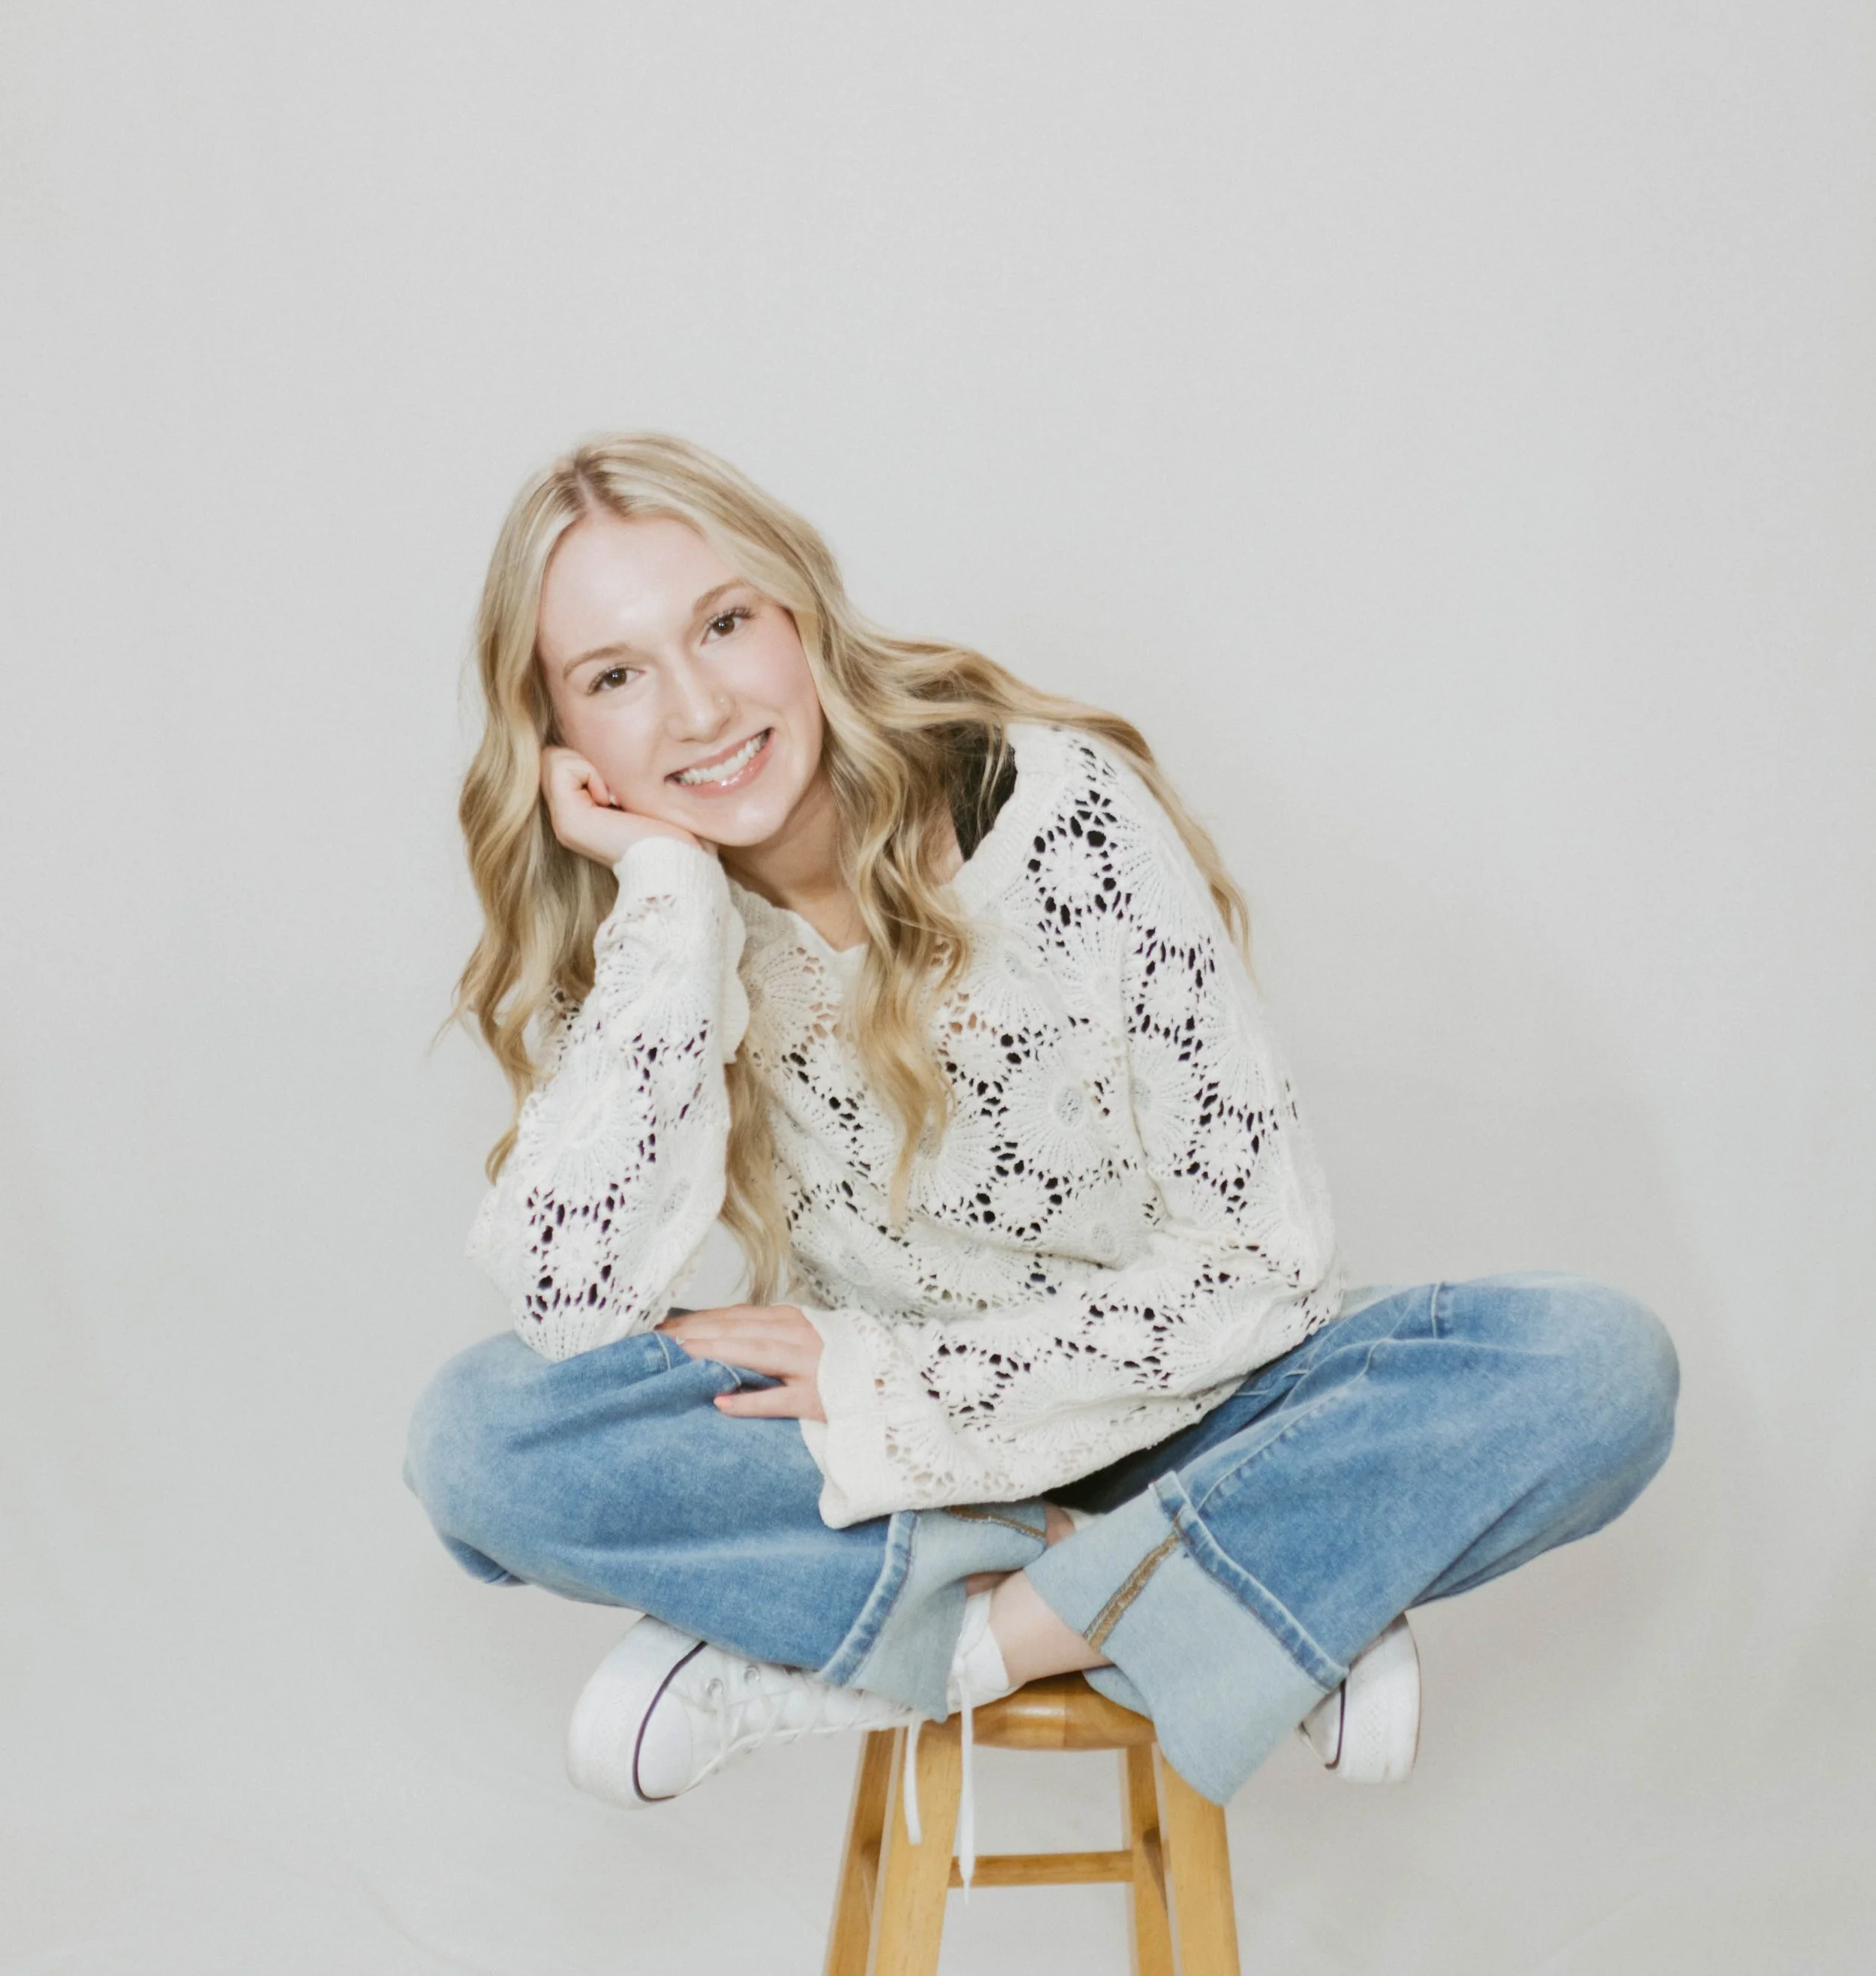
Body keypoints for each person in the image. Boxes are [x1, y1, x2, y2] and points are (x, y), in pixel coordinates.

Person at [406, 433, 1677, 1846]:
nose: (698, 707)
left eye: (723, 623)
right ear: (561, 740)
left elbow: (1265, 1260)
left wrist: (903, 1378)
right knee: (476, 1443)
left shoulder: (1058, 812)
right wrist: (666, 896)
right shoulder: (654, 934)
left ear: (801, 616)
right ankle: (1241, 1600)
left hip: (1197, 1410)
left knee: (1597, 1367)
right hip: (892, 1469)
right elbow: (571, 1318)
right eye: (615, 676)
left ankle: (963, 1641)